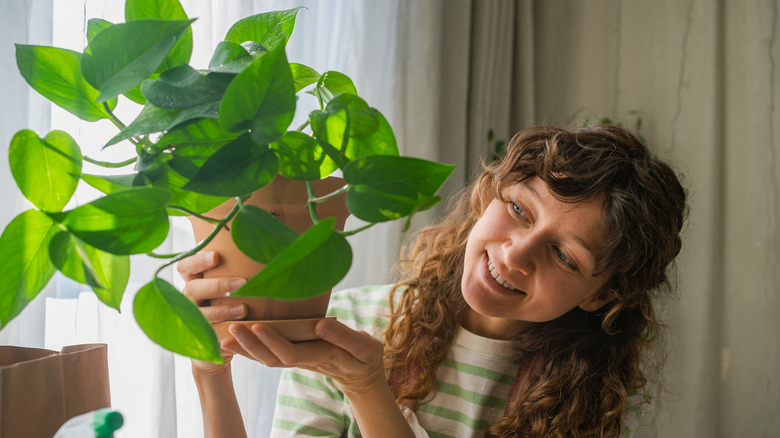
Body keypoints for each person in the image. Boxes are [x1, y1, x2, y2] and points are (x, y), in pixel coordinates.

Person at [178, 124, 688, 437]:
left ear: (603, 294)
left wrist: (368, 388)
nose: (515, 255)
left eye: (563, 255)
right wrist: (210, 376)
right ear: (488, 195)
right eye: (518, 209)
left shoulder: (584, 399)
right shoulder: (347, 326)